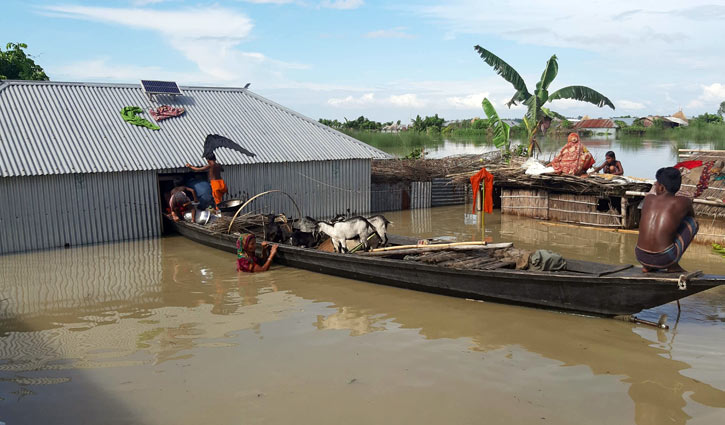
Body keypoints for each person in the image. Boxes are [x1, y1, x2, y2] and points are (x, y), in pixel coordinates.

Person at [635, 167, 698, 273]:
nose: (655, 185)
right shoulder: (684, 202)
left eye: (657, 184)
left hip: (640, 256)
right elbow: (690, 218)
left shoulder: (648, 199)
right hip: (665, 259)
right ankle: (673, 266)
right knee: (693, 223)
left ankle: (647, 267)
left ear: (661, 188)